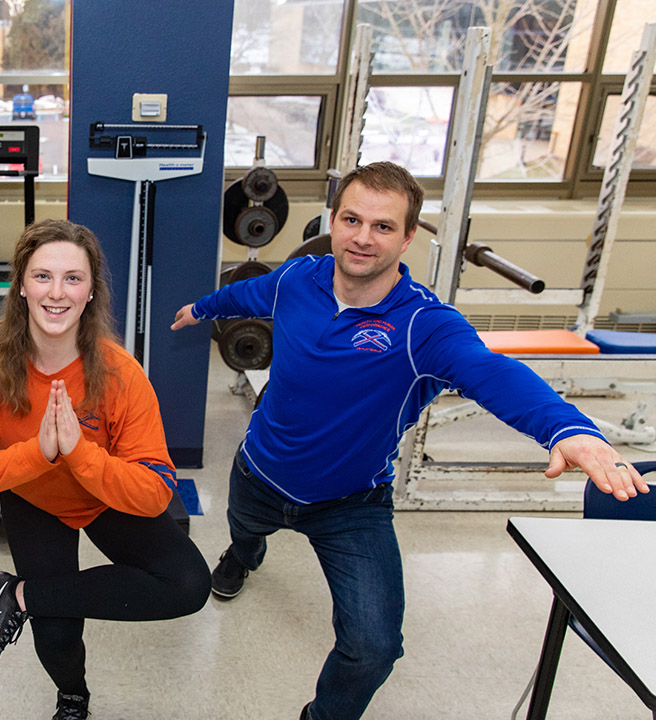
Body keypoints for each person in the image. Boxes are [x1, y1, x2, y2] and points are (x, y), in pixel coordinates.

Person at [171, 161, 649, 720]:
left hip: (350, 505)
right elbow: (250, 293)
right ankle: (244, 555)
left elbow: (490, 372)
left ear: (407, 236)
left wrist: (567, 428)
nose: (362, 237)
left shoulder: (425, 325)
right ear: (333, 219)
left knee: (374, 649)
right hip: (260, 471)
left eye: (382, 226)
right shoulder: (298, 279)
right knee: (245, 531)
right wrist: (203, 308)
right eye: (352, 219)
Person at [0, 219, 211, 720]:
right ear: (20, 285)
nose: (56, 293)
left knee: (188, 583)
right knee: (58, 630)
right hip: (33, 495)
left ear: (91, 291)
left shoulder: (121, 373)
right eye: (42, 277)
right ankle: (73, 697)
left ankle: (16, 594)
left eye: (73, 279)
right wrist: (37, 454)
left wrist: (78, 453)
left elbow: (154, 492)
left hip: (104, 492)